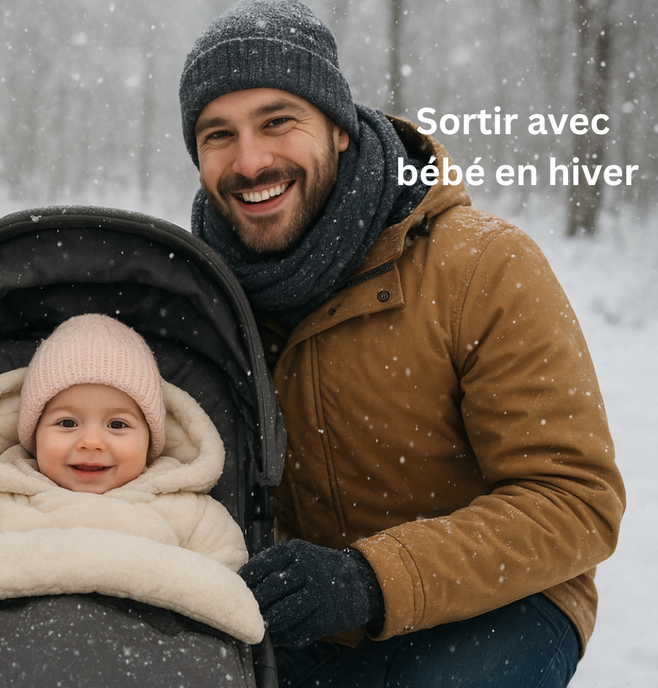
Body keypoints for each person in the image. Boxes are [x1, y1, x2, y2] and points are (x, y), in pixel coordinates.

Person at [176, 1, 626, 686]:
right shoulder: (201, 298)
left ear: (341, 129)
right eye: (218, 135)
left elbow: (573, 500)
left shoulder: (482, 266)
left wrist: (373, 579)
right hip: (296, 615)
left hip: (494, 604)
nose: (250, 160)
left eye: (278, 122)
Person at [0, 314, 265, 644]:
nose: (90, 441)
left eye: (118, 424)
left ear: (152, 442)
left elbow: (231, 594)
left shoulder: (189, 514)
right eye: (67, 422)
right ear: (33, 435)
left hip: (147, 657)